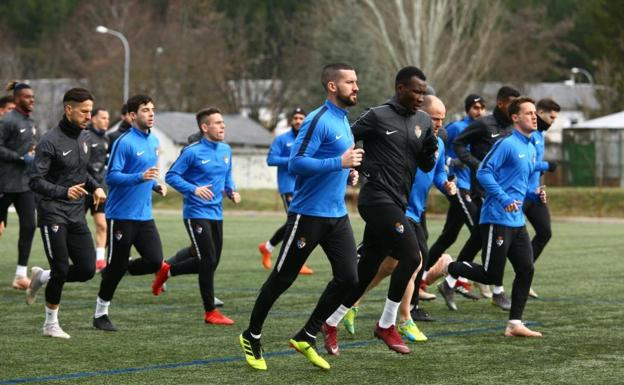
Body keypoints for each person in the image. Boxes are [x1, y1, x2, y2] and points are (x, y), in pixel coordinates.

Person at [239, 63, 362, 371]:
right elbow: (296, 164)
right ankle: (251, 335)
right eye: (349, 82)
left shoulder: (345, 121)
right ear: (333, 86)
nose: (356, 87)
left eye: (356, 81)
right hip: (308, 215)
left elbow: (334, 161)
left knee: (350, 278)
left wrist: (348, 171)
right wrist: (339, 162)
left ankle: (307, 334)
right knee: (283, 278)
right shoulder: (317, 119)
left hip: (337, 215)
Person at [321, 66, 438, 356]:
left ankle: (330, 321)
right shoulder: (377, 115)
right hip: (375, 198)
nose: (420, 97)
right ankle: (387, 324)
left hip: (398, 201)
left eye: (424, 92)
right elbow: (344, 140)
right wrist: (358, 166)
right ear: (400, 88)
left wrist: (430, 149)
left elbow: (426, 163)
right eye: (416, 91)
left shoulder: (423, 120)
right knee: (412, 257)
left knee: (368, 266)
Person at [334, 95, 454, 345]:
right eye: (434, 118)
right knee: (415, 259)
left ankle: (348, 306)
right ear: (421, 115)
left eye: (442, 119)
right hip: (396, 209)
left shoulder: (438, 143)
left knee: (387, 266)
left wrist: (446, 186)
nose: (439, 124)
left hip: (415, 211)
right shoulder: (403, 134)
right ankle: (403, 319)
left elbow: (438, 170)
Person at [447, 96, 544, 337]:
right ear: (515, 118)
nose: (534, 116)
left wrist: (534, 194)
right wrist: (503, 198)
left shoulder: (531, 147)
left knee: (526, 269)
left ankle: (514, 324)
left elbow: (518, 185)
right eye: (529, 113)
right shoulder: (506, 144)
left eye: (535, 113)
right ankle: (446, 266)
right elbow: (483, 172)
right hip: (496, 217)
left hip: (516, 220)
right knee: (491, 275)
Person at [25, 88, 106, 339]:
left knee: (86, 270)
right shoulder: (50, 141)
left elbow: (82, 173)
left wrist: (97, 187)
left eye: (90, 111)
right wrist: (63, 192)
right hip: (52, 212)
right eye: (84, 111)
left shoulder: (84, 138)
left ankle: (42, 276)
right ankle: (50, 324)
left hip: (75, 214)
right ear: (68, 110)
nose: (88, 116)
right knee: (61, 268)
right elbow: (34, 180)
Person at [151, 107, 240, 325]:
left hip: (216, 213)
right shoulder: (192, 151)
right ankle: (210, 312)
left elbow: (227, 176)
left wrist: (232, 191)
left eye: (223, 122)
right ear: (204, 127)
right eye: (217, 123)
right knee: (207, 260)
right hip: (196, 212)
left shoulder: (226, 150)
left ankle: (167, 270)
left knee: (212, 261)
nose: (222, 126)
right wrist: (194, 189)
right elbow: (171, 176)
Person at [440, 86, 520, 311]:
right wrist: (476, 164)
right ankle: (495, 290)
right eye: (513, 104)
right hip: (476, 190)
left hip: (497, 194)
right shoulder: (484, 124)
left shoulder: (511, 129)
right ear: (503, 103)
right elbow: (458, 144)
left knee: (466, 236)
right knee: (480, 236)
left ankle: (450, 281)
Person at [92, 94, 166, 332]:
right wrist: (139, 177)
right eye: (146, 110)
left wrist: (155, 184)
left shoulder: (153, 141)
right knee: (115, 267)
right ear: (133, 116)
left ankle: (118, 265)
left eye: (153, 109)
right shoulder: (124, 142)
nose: (151, 113)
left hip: (144, 215)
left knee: (155, 260)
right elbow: (111, 177)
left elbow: (145, 174)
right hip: (121, 215)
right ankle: (100, 313)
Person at [421, 94, 488, 311]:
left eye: (482, 107)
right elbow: (444, 151)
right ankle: (457, 277)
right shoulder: (458, 127)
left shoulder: (483, 128)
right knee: (479, 231)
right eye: (475, 107)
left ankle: (427, 278)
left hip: (472, 187)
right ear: (468, 108)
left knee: (449, 236)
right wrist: (454, 162)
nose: (479, 111)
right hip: (459, 185)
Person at [257, 107, 313, 275]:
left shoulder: (308, 140)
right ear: (291, 120)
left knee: (298, 223)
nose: (298, 120)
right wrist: (292, 160)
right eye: (295, 117)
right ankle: (295, 263)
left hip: (304, 186)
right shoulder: (282, 139)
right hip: (288, 186)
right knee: (298, 223)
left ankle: (267, 247)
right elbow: (271, 159)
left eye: (301, 117)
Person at [0, 81, 38, 290]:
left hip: (25, 184)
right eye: (26, 96)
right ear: (16, 99)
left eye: (32, 97)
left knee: (30, 225)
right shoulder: (7, 121)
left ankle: (20, 275)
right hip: (4, 183)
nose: (31, 100)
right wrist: (20, 158)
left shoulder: (30, 121)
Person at [524, 98, 560, 298]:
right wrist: (547, 165)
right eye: (550, 116)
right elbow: (528, 163)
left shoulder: (541, 135)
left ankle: (523, 273)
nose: (553, 121)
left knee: (545, 232)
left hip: (535, 193)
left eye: (555, 117)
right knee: (503, 241)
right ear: (539, 112)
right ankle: (459, 276)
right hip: (521, 194)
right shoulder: (528, 134)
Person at [84, 108, 110, 272]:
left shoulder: (106, 139)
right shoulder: (85, 136)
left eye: (108, 118)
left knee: (102, 224)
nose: (106, 121)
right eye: (103, 118)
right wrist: (91, 185)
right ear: (93, 119)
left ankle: (99, 260)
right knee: (77, 224)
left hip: (100, 189)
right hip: (84, 188)